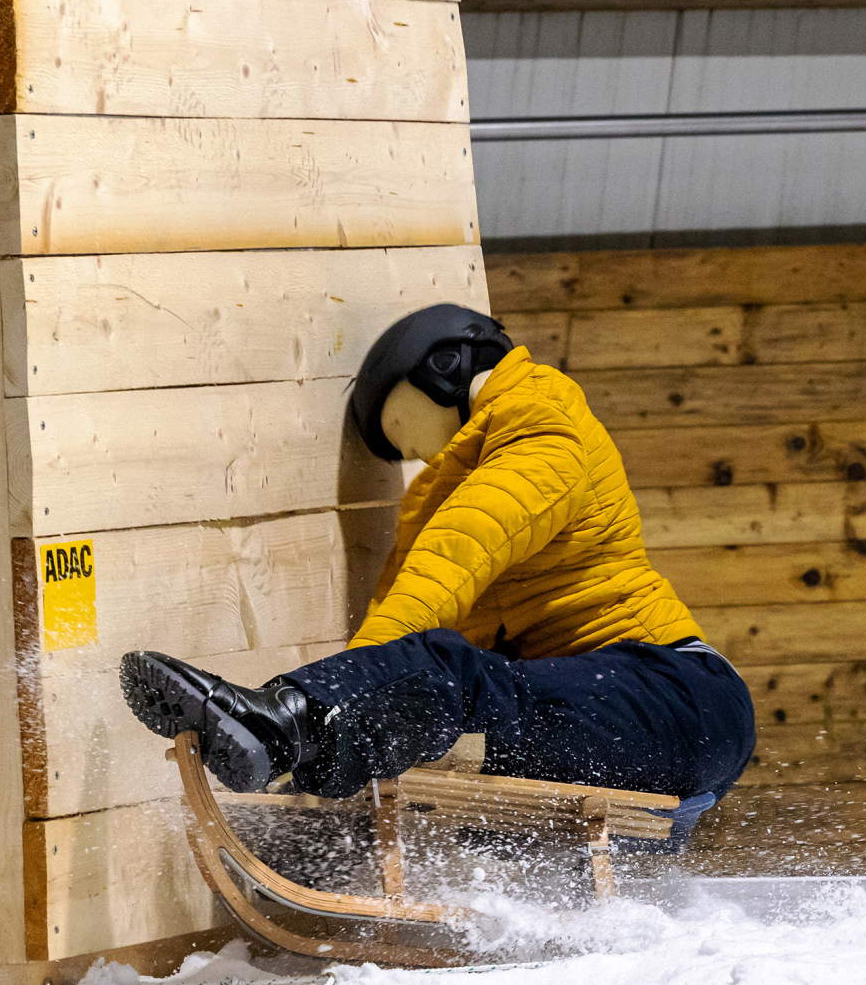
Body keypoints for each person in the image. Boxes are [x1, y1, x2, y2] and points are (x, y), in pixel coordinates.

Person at [120, 304, 756, 848]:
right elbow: (414, 615)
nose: (420, 458)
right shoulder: (447, 493)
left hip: (680, 695)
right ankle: (326, 842)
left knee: (446, 672)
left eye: (409, 431)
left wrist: (336, 694)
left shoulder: (542, 421)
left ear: (446, 370)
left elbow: (460, 551)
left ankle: (277, 719)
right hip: (611, 729)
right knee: (460, 755)